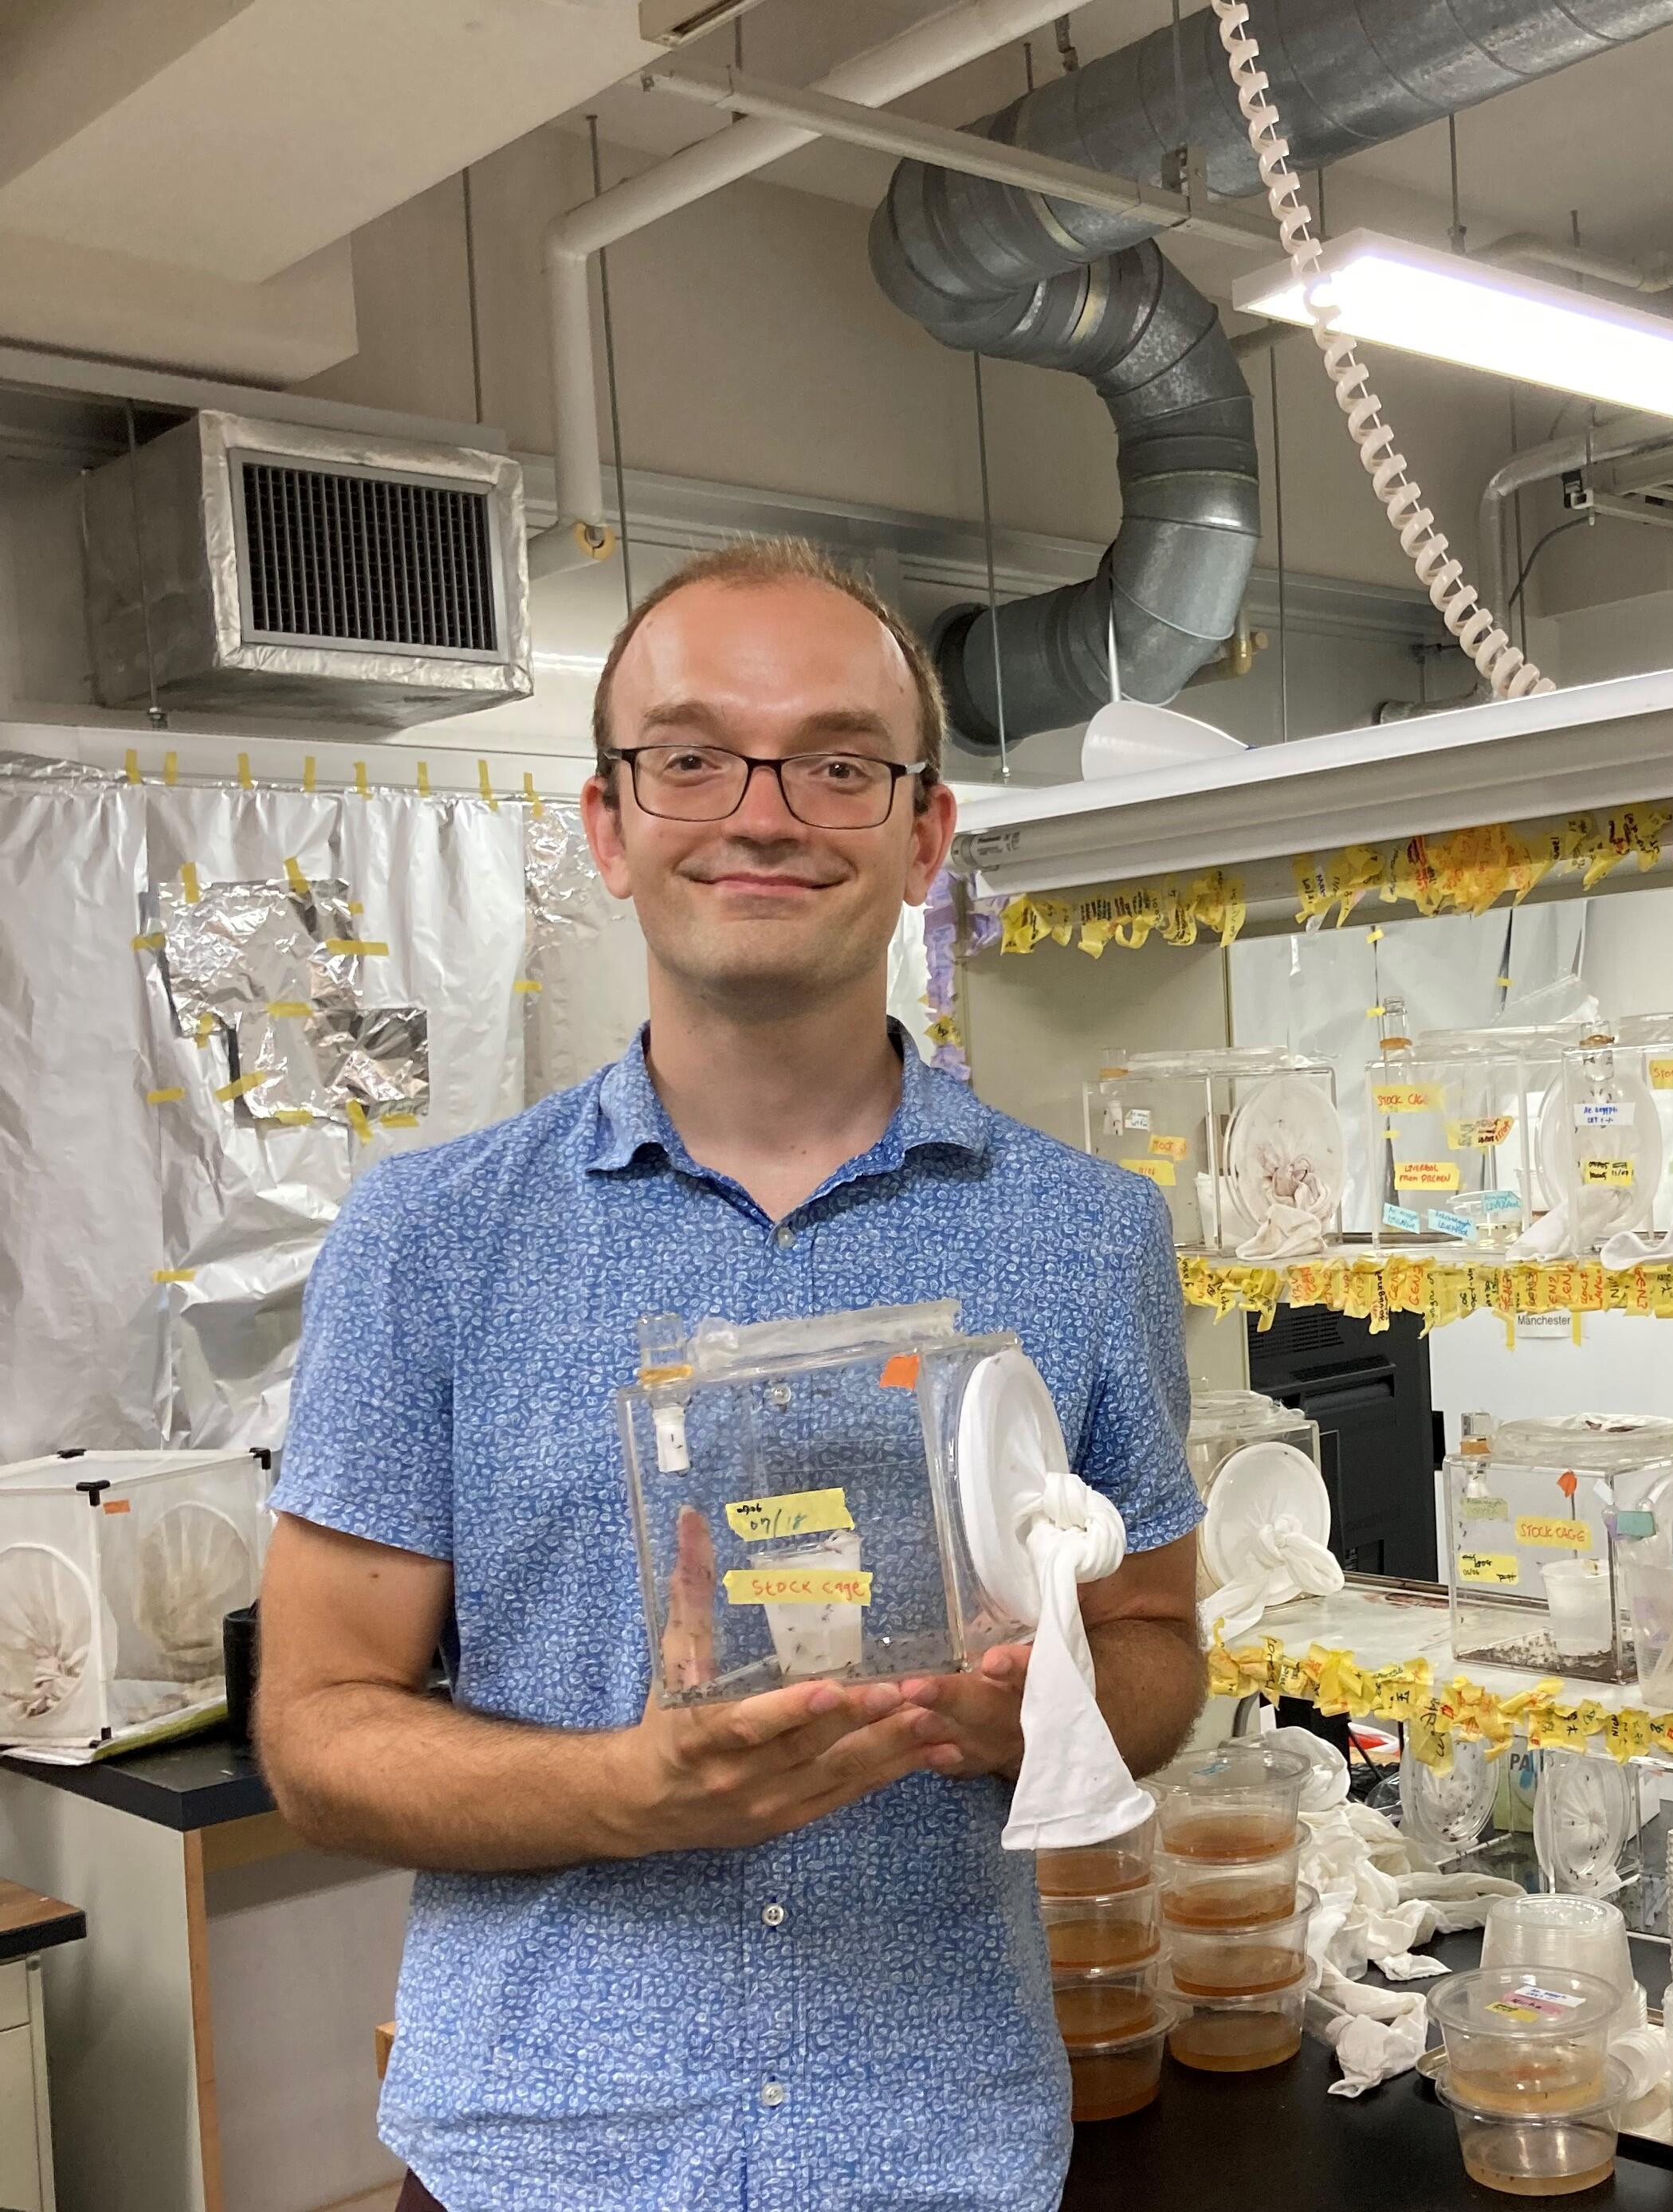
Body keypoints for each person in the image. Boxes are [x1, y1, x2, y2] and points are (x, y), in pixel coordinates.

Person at [256, 537, 1209, 2212]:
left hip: (938, 2152)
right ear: (609, 822)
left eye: (838, 762)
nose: (760, 811)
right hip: (536, 2164)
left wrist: (1020, 1714)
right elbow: (318, 1732)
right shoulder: (430, 1236)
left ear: (923, 831)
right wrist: (623, 1791)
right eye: (691, 757)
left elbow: (1153, 1651)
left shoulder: (1086, 1234)